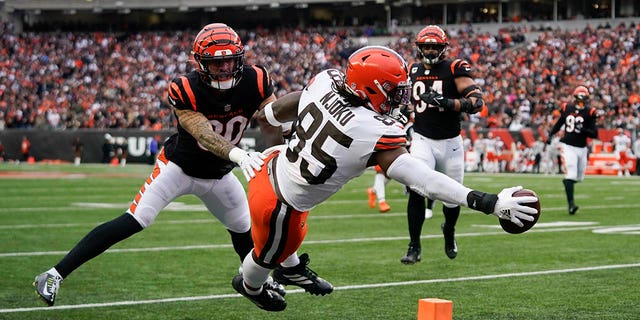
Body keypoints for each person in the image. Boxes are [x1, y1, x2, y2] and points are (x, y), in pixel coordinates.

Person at [232, 46, 538, 312]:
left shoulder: (326, 79)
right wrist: (486, 202)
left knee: (287, 244)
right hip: (280, 207)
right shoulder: (373, 129)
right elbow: (424, 180)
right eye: (393, 90)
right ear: (371, 89)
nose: (400, 97)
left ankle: (293, 269)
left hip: (269, 165)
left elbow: (293, 102)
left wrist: (270, 118)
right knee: (264, 259)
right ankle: (254, 288)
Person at [33, 23, 283, 307]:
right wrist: (239, 155)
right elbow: (203, 134)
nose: (225, 68)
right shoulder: (185, 87)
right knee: (136, 219)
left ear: (239, 58)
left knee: (244, 230)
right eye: (216, 62)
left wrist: (287, 138)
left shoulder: (257, 79)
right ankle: (53, 274)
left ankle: (256, 285)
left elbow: (272, 117)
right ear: (201, 64)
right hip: (178, 168)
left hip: (219, 175)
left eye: (229, 60)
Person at [400, 25, 485, 264]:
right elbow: (402, 101)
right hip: (422, 139)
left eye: (433, 46)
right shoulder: (412, 69)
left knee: (452, 197)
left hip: (450, 142)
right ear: (419, 48)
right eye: (425, 46)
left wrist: (446, 102)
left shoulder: (455, 67)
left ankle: (449, 230)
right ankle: (414, 245)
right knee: (416, 187)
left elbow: (477, 102)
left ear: (443, 48)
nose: (429, 50)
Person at [547, 85, 599, 215]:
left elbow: (594, 133)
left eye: (583, 98)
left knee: (579, 177)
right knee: (571, 174)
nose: (581, 101)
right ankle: (571, 205)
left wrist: (583, 130)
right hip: (568, 146)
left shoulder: (590, 112)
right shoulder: (567, 108)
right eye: (579, 98)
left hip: (582, 148)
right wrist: (550, 135)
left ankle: (567, 182)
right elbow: (559, 123)